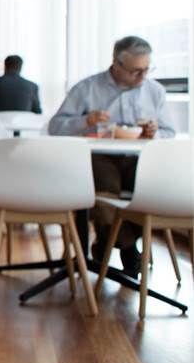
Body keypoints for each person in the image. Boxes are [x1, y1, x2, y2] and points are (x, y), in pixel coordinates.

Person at [48, 36, 175, 277]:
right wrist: (85, 121)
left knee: (151, 190)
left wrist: (155, 133)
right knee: (105, 187)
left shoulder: (154, 91)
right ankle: (127, 247)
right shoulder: (87, 88)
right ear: (116, 63)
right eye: (135, 71)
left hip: (141, 159)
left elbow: (169, 132)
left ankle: (109, 244)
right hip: (98, 157)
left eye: (146, 69)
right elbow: (55, 127)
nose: (142, 77)